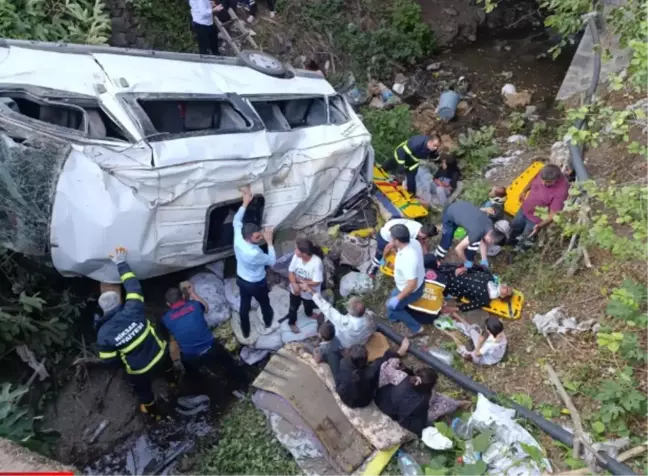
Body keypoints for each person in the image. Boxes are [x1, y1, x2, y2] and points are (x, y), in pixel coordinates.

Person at [95, 247, 170, 416]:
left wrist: (125, 362)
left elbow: (110, 362)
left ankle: (152, 410)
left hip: (139, 369)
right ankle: (171, 380)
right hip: (160, 353)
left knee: (143, 389)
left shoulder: (104, 335)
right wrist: (121, 263)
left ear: (102, 311)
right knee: (167, 363)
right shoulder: (133, 308)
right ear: (119, 301)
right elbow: (133, 286)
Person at [375, 339, 469, 435]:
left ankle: (459, 404)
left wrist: (397, 358)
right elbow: (442, 402)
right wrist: (456, 403)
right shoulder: (428, 397)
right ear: (431, 386)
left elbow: (386, 366)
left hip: (382, 402)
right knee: (441, 405)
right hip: (401, 417)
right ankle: (460, 404)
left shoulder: (400, 377)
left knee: (387, 373)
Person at [161, 284, 243, 387]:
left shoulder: (166, 319)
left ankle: (201, 384)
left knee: (190, 369)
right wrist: (192, 293)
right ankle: (240, 378)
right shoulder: (194, 305)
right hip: (211, 347)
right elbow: (206, 308)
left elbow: (172, 336)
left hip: (192, 356)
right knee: (227, 362)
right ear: (182, 296)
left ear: (168, 304)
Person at [233, 185, 276, 339]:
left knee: (244, 305)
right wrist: (270, 242)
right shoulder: (254, 253)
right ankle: (268, 322)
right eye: (258, 237)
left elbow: (237, 220)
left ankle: (245, 331)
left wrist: (245, 203)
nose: (261, 238)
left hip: (241, 279)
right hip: (256, 283)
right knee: (265, 303)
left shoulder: (238, 237)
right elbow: (272, 261)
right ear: (249, 238)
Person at [434, 200, 506, 270]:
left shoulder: (490, 225)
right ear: (489, 239)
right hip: (451, 213)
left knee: (476, 241)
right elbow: (458, 249)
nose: (489, 244)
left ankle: (469, 258)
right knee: (447, 241)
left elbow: (482, 240)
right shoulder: (476, 233)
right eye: (490, 243)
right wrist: (466, 262)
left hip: (462, 205)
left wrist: (484, 259)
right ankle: (436, 258)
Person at [509, 163, 570, 243]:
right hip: (524, 209)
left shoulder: (561, 190)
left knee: (526, 238)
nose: (543, 183)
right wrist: (524, 191)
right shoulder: (543, 172)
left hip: (534, 220)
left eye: (548, 182)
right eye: (542, 180)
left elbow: (553, 214)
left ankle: (519, 251)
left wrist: (540, 225)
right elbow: (533, 180)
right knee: (514, 226)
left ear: (556, 179)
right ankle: (511, 241)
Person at [386, 224, 426, 337]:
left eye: (392, 239)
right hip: (411, 283)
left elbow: (411, 285)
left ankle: (417, 328)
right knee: (392, 299)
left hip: (411, 289)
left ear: (397, 241)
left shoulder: (407, 259)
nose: (390, 241)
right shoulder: (415, 242)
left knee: (391, 306)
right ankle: (393, 318)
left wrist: (398, 298)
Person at [314, 343, 382, 408]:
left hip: (345, 396)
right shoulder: (369, 372)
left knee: (332, 356)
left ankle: (323, 357)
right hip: (363, 402)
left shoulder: (344, 363)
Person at [309, 288, 376, 348]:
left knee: (325, 324)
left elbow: (327, 308)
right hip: (360, 342)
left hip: (344, 343)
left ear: (350, 312)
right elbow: (372, 329)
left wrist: (312, 291)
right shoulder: (370, 316)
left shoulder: (344, 322)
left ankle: (320, 340)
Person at [369, 218, 437, 278]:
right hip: (383, 236)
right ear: (425, 235)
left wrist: (427, 258)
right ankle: (372, 271)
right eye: (426, 238)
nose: (426, 240)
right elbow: (388, 246)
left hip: (393, 227)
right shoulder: (406, 234)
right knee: (379, 255)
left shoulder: (421, 228)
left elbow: (423, 243)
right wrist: (383, 258)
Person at [438, 264, 514, 315]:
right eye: (508, 286)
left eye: (507, 290)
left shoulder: (485, 299)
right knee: (437, 266)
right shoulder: (490, 277)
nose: (506, 287)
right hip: (455, 272)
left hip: (451, 286)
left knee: (435, 278)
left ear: (502, 296)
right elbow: (477, 268)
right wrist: (465, 268)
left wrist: (451, 309)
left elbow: (471, 306)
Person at [286, 238, 325, 334]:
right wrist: (295, 284)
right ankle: (292, 322)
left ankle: (309, 313)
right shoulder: (296, 257)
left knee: (308, 303)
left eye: (296, 249)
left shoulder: (317, 262)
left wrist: (305, 284)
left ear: (304, 253)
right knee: (293, 307)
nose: (294, 251)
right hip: (296, 288)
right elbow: (291, 272)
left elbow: (317, 281)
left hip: (308, 289)